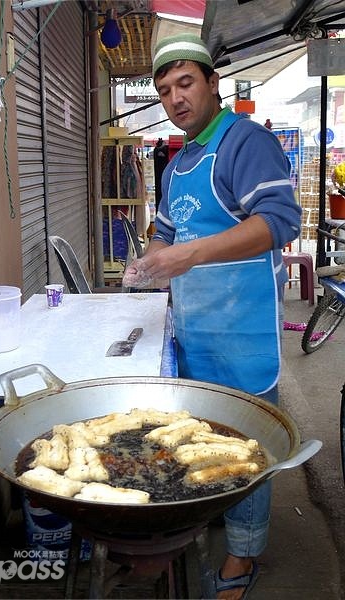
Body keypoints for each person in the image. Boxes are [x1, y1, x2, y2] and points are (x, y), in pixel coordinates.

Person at [123, 33, 302, 600]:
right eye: (165, 90)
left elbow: (279, 222)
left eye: (186, 83)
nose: (176, 99)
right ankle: (222, 518)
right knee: (206, 441)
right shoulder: (179, 164)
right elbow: (171, 232)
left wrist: (187, 255)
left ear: (211, 83)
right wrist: (152, 255)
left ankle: (242, 557)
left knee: (245, 446)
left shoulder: (245, 142)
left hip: (241, 331)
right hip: (195, 328)